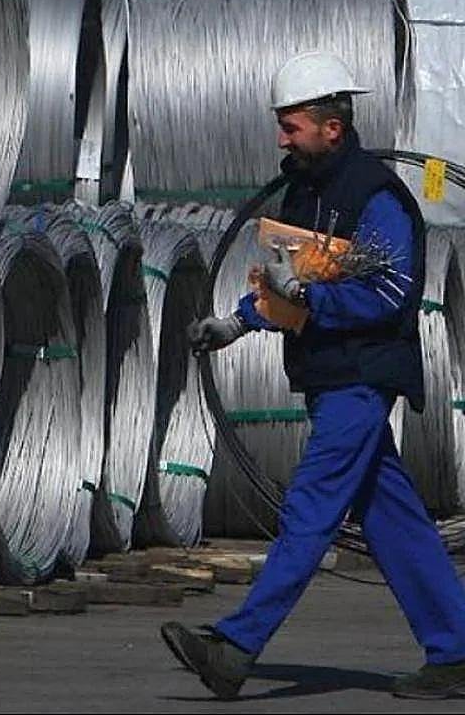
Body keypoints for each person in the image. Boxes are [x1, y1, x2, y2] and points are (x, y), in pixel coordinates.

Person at [161, 50, 465, 700]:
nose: (281, 137)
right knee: (392, 518)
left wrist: (311, 298)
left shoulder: (375, 197)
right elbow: (283, 284)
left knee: (310, 508)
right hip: (328, 376)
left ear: (333, 126)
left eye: (292, 125)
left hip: (362, 376)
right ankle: (456, 650)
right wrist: (236, 324)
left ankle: (236, 648)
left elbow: (389, 296)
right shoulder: (305, 191)